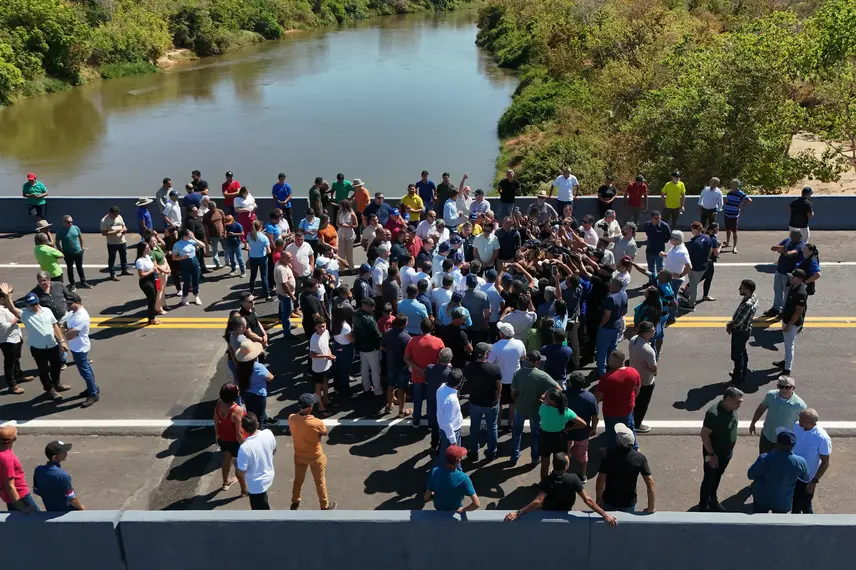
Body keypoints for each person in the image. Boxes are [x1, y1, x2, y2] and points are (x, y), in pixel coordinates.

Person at [505, 452, 617, 524]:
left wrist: (518, 513)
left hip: (547, 514)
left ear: (553, 465)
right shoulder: (573, 479)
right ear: (566, 467)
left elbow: (538, 502)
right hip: (565, 513)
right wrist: (605, 514)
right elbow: (587, 500)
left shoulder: (547, 480)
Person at [15, 291, 69, 400]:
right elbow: (12, 308)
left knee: (57, 365)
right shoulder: (24, 314)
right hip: (38, 348)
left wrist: (62, 341)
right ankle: (49, 389)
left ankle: (56, 384)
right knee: (43, 370)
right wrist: (7, 296)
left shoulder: (47, 311)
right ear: (27, 305)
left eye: (35, 303)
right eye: (31, 304)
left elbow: (55, 326)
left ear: (38, 302)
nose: (34, 306)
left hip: (52, 345)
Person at [510, 350, 560, 465]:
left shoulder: (518, 373)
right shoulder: (542, 375)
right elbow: (558, 389)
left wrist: (516, 401)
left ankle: (514, 456)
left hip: (520, 407)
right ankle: (535, 458)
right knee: (535, 434)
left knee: (517, 432)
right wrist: (546, 396)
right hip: (536, 409)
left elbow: (513, 392)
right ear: (537, 362)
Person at [288, 393, 337, 510]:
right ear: (310, 407)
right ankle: (324, 505)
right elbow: (325, 432)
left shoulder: (291, 418)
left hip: (299, 455)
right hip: (315, 457)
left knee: (298, 480)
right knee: (320, 482)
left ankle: (295, 501)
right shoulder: (316, 422)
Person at [699, 386, 744, 512]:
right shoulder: (714, 413)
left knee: (717, 476)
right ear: (728, 399)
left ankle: (712, 500)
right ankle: (704, 505)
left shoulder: (731, 409)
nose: (739, 405)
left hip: (726, 453)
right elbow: (704, 435)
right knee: (709, 478)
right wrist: (712, 454)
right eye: (737, 402)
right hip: (714, 454)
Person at [596, 423, 656, 513]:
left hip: (609, 500)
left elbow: (601, 479)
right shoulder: (640, 458)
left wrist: (599, 499)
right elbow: (650, 482)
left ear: (618, 441)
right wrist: (651, 507)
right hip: (629, 502)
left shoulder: (607, 455)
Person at [748, 430, 809, 514]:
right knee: (778, 525)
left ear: (777, 442)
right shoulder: (800, 462)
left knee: (759, 523)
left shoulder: (764, 458)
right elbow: (805, 478)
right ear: (793, 445)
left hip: (762, 498)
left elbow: (750, 475)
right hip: (783, 501)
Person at [463, 342, 502, 460]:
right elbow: (499, 385)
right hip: (491, 403)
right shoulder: (494, 368)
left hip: (475, 401)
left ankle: (474, 452)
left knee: (474, 427)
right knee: (492, 427)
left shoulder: (468, 367)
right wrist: (499, 396)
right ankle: (491, 452)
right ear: (485, 354)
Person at [595, 349, 640, 448]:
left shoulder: (606, 378)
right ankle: (634, 448)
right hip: (627, 408)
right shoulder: (634, 372)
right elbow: (637, 390)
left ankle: (613, 451)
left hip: (611, 411)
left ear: (617, 361)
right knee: (629, 428)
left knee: (612, 432)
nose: (608, 361)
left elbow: (598, 396)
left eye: (610, 359)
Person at [749, 375, 807, 453]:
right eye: (781, 386)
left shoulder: (799, 405)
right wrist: (753, 423)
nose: (784, 389)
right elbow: (761, 408)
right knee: (764, 459)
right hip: (767, 435)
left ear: (793, 388)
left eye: (787, 387)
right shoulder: (770, 395)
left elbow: (805, 422)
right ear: (777, 386)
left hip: (784, 441)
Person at [63, 293, 99, 407]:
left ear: (77, 302)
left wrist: (65, 331)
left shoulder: (81, 317)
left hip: (80, 347)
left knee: (84, 371)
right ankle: (92, 387)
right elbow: (64, 324)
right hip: (76, 345)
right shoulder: (73, 313)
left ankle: (93, 394)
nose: (67, 306)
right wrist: (66, 329)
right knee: (86, 368)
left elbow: (69, 335)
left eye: (70, 304)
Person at [791, 408, 831, 514]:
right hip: (793, 474)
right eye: (799, 419)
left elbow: (825, 462)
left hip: (807, 479)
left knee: (805, 505)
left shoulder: (822, 438)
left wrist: (814, 481)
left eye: (802, 421)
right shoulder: (797, 426)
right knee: (794, 503)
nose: (799, 422)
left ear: (813, 423)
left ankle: (811, 527)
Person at [489, 321, 526, 430]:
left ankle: (498, 424)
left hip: (500, 381)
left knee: (499, 403)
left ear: (502, 334)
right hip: (515, 379)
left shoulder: (495, 347)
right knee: (513, 403)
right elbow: (523, 357)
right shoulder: (520, 343)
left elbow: (490, 363)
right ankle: (511, 424)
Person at [236, 413, 277, 510]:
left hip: (256, 486)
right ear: (257, 424)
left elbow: (241, 472)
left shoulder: (244, 448)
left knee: (260, 512)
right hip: (270, 474)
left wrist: (236, 464)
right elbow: (274, 450)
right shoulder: (268, 433)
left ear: (243, 429)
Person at [32, 440, 85, 511]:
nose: (66, 453)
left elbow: (37, 490)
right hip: (66, 512)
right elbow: (72, 499)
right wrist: (81, 508)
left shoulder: (38, 470)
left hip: (50, 510)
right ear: (54, 457)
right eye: (63, 452)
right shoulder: (63, 476)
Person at [213, 383, 247, 495]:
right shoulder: (237, 410)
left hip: (224, 437)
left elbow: (216, 420)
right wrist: (245, 446)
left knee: (227, 460)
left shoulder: (219, 403)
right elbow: (239, 432)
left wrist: (217, 434)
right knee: (239, 465)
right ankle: (244, 490)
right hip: (235, 441)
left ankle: (225, 483)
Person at [424, 445, 479, 513]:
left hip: (439, 509)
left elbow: (426, 497)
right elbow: (476, 504)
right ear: (458, 461)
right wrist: (463, 510)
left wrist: (435, 495)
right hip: (455, 510)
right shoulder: (464, 478)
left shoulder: (435, 472)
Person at [764, 229, 804, 319]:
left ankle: (784, 311)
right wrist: (778, 248)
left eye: (792, 236)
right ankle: (775, 308)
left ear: (799, 237)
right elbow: (773, 248)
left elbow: (791, 254)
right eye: (790, 235)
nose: (790, 237)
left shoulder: (801, 245)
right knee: (777, 290)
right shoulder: (788, 240)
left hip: (788, 274)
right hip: (779, 270)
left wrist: (783, 250)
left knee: (786, 293)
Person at [0, 283, 32, 395]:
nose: (11, 297)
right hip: (7, 340)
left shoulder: (7, 306)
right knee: (10, 362)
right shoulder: (0, 310)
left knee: (16, 358)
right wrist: (16, 318)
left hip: (16, 336)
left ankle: (18, 375)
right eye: (9, 295)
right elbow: (4, 327)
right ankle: (12, 384)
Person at [565, 371, 598, 480]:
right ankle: (583, 475)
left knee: (565, 453)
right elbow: (595, 416)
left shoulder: (563, 396)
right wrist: (593, 428)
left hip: (565, 431)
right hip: (583, 432)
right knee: (583, 454)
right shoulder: (590, 397)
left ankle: (563, 473)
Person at [235, 340, 276, 425]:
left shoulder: (239, 366)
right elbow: (270, 378)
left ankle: (259, 423)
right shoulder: (258, 367)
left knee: (251, 414)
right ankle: (259, 430)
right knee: (259, 418)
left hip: (245, 393)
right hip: (258, 395)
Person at [775, 268, 808, 375]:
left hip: (792, 323)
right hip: (786, 319)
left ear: (799, 279)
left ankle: (787, 369)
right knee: (786, 344)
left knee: (789, 346)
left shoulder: (801, 293)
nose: (790, 278)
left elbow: (798, 312)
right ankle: (785, 362)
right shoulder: (793, 287)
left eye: (793, 277)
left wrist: (789, 325)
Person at [0, 425, 38, 513]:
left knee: (18, 522)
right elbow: (10, 485)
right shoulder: (7, 458)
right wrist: (22, 507)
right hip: (20, 496)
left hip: (7, 496)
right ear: (13, 439)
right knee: (36, 520)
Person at [726, 278, 757, 384]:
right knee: (742, 353)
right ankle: (741, 373)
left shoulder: (747, 304)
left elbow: (738, 322)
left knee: (737, 356)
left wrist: (729, 325)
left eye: (742, 288)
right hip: (746, 330)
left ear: (747, 290)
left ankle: (737, 378)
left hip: (740, 332)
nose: (739, 289)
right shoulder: (753, 297)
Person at [595, 278, 628, 378]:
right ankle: (613, 368)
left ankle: (602, 373)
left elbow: (606, 316)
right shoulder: (624, 294)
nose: (609, 284)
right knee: (613, 348)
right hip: (617, 326)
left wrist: (600, 326)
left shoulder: (611, 298)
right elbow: (625, 311)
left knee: (602, 351)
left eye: (611, 283)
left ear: (615, 286)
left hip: (607, 328)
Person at [628, 322, 657, 433]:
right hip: (645, 380)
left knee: (634, 401)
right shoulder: (648, 350)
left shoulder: (633, 340)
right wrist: (655, 372)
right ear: (645, 332)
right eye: (652, 331)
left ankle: (631, 419)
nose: (654, 332)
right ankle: (637, 424)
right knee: (642, 404)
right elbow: (653, 367)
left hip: (633, 376)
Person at [381, 314, 411, 417]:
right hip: (403, 366)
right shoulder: (407, 337)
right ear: (404, 324)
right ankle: (401, 410)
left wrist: (390, 351)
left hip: (391, 364)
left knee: (391, 385)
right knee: (402, 389)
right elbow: (410, 353)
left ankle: (389, 405)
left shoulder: (387, 333)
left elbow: (382, 347)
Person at [679, 221, 711, 311]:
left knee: (693, 286)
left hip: (694, 268)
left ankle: (691, 305)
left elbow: (685, 256)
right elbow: (710, 250)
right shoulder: (707, 238)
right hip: (704, 266)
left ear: (693, 229)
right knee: (695, 283)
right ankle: (686, 294)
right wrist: (706, 259)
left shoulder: (692, 243)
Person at [354, 297, 383, 396]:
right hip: (372, 348)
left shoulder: (356, 314)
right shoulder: (370, 319)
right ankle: (377, 390)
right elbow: (377, 335)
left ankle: (366, 387)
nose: (373, 309)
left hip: (360, 346)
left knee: (364, 368)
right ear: (367, 307)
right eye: (372, 307)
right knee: (375, 370)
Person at [436, 368, 465, 461]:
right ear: (459, 383)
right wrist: (453, 441)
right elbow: (447, 423)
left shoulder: (441, 388)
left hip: (444, 429)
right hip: (452, 431)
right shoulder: (452, 400)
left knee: (445, 455)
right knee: (453, 458)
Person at [55, 215, 90, 290]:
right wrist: (61, 251)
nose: (70, 223)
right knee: (70, 268)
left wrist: (82, 247)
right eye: (68, 222)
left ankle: (83, 282)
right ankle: (72, 284)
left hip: (78, 251)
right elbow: (57, 242)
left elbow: (80, 237)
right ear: (64, 222)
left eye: (71, 222)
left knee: (79, 267)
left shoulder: (75, 228)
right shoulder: (60, 231)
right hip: (68, 253)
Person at [171, 227, 202, 306]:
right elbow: (174, 257)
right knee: (187, 281)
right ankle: (184, 297)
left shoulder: (192, 241)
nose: (190, 236)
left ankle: (196, 296)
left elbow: (202, 245)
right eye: (189, 235)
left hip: (194, 261)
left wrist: (194, 238)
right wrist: (182, 257)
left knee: (196, 280)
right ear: (184, 236)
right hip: (184, 263)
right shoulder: (178, 244)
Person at [100, 206, 131, 281]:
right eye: (114, 215)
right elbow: (104, 233)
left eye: (117, 214)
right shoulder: (104, 220)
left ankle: (124, 270)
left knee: (124, 256)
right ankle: (113, 274)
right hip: (112, 243)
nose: (116, 216)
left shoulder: (119, 217)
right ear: (110, 213)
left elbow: (123, 225)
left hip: (122, 241)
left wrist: (124, 230)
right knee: (112, 259)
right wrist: (115, 232)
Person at [721, 179, 752, 254]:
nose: (731, 185)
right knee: (727, 229)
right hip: (727, 214)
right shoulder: (729, 193)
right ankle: (728, 242)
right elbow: (728, 201)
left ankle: (734, 247)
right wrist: (725, 201)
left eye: (732, 184)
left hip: (734, 215)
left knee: (734, 231)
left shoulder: (740, 193)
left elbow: (749, 200)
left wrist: (741, 206)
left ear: (736, 185)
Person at [135, 241, 162, 326]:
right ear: (142, 249)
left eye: (148, 247)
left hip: (152, 279)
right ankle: (151, 319)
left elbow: (153, 266)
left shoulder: (147, 256)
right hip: (146, 282)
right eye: (146, 248)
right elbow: (141, 275)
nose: (148, 249)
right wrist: (152, 270)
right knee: (151, 299)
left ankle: (152, 316)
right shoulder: (139, 261)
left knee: (154, 298)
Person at [246, 220, 272, 301]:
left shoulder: (249, 235)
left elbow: (247, 245)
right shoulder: (264, 238)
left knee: (253, 276)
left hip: (252, 258)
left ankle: (251, 293)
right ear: (260, 227)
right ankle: (267, 295)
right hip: (262, 258)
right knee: (264, 277)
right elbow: (269, 251)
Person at [203, 199, 226, 270]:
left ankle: (227, 261)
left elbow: (224, 222)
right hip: (212, 235)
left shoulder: (220, 211)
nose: (213, 210)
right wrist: (207, 237)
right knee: (215, 250)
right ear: (209, 208)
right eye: (211, 209)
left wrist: (225, 232)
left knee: (226, 249)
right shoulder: (206, 215)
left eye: (214, 208)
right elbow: (205, 227)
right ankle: (217, 263)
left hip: (222, 234)